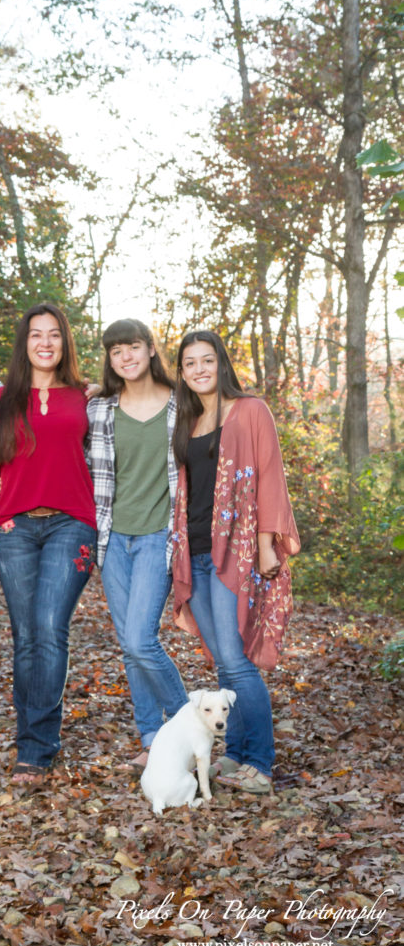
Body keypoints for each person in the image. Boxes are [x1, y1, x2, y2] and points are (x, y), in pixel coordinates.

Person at [171, 330, 300, 794]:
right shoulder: (188, 420)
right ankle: (237, 753)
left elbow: (268, 475)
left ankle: (260, 764)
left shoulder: (250, 410)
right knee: (225, 664)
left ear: (221, 364)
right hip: (196, 550)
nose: (200, 369)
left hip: (237, 549)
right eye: (190, 363)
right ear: (182, 372)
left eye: (207, 360)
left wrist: (268, 543)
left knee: (237, 661)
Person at [0, 304, 97, 783]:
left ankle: (38, 749)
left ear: (65, 342)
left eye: (54, 334)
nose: (45, 342)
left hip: (72, 524)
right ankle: (30, 740)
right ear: (23, 343)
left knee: (50, 628)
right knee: (26, 635)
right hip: (15, 529)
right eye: (36, 335)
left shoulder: (89, 396)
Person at [86, 319, 188, 768]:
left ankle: (187, 728)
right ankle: (151, 739)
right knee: (129, 646)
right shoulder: (100, 409)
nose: (125, 357)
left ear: (149, 349)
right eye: (115, 352)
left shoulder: (181, 405)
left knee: (140, 639)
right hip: (112, 538)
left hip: (157, 537)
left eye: (132, 347)